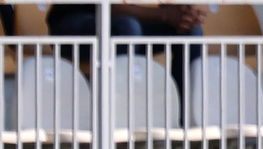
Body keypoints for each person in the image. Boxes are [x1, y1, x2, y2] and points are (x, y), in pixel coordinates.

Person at [46, 3, 205, 101]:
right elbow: (113, 7)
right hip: (73, 21)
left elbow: (167, 5)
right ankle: (119, 112)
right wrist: (166, 15)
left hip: (127, 22)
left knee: (191, 31)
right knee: (128, 27)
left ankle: (183, 119)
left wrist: (186, 14)